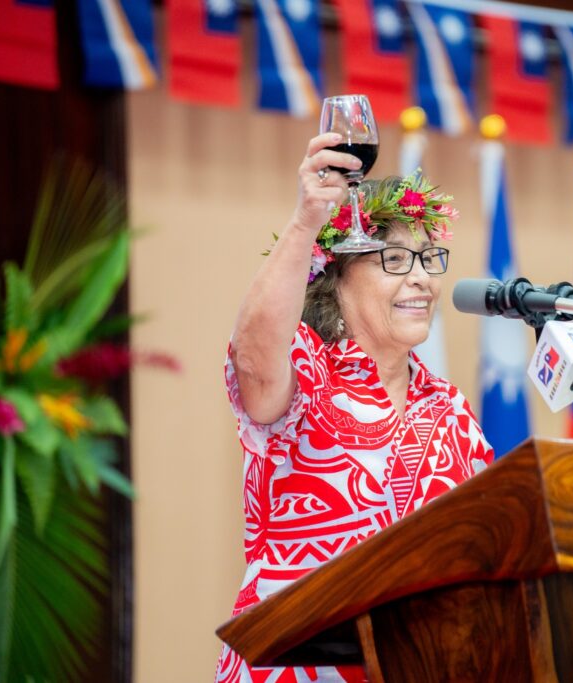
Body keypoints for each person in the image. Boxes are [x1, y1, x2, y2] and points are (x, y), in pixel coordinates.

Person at [214, 134, 494, 683]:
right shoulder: (309, 378)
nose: (422, 278)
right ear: (337, 278)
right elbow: (253, 357)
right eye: (393, 258)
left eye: (429, 257)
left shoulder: (452, 411)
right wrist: (305, 224)